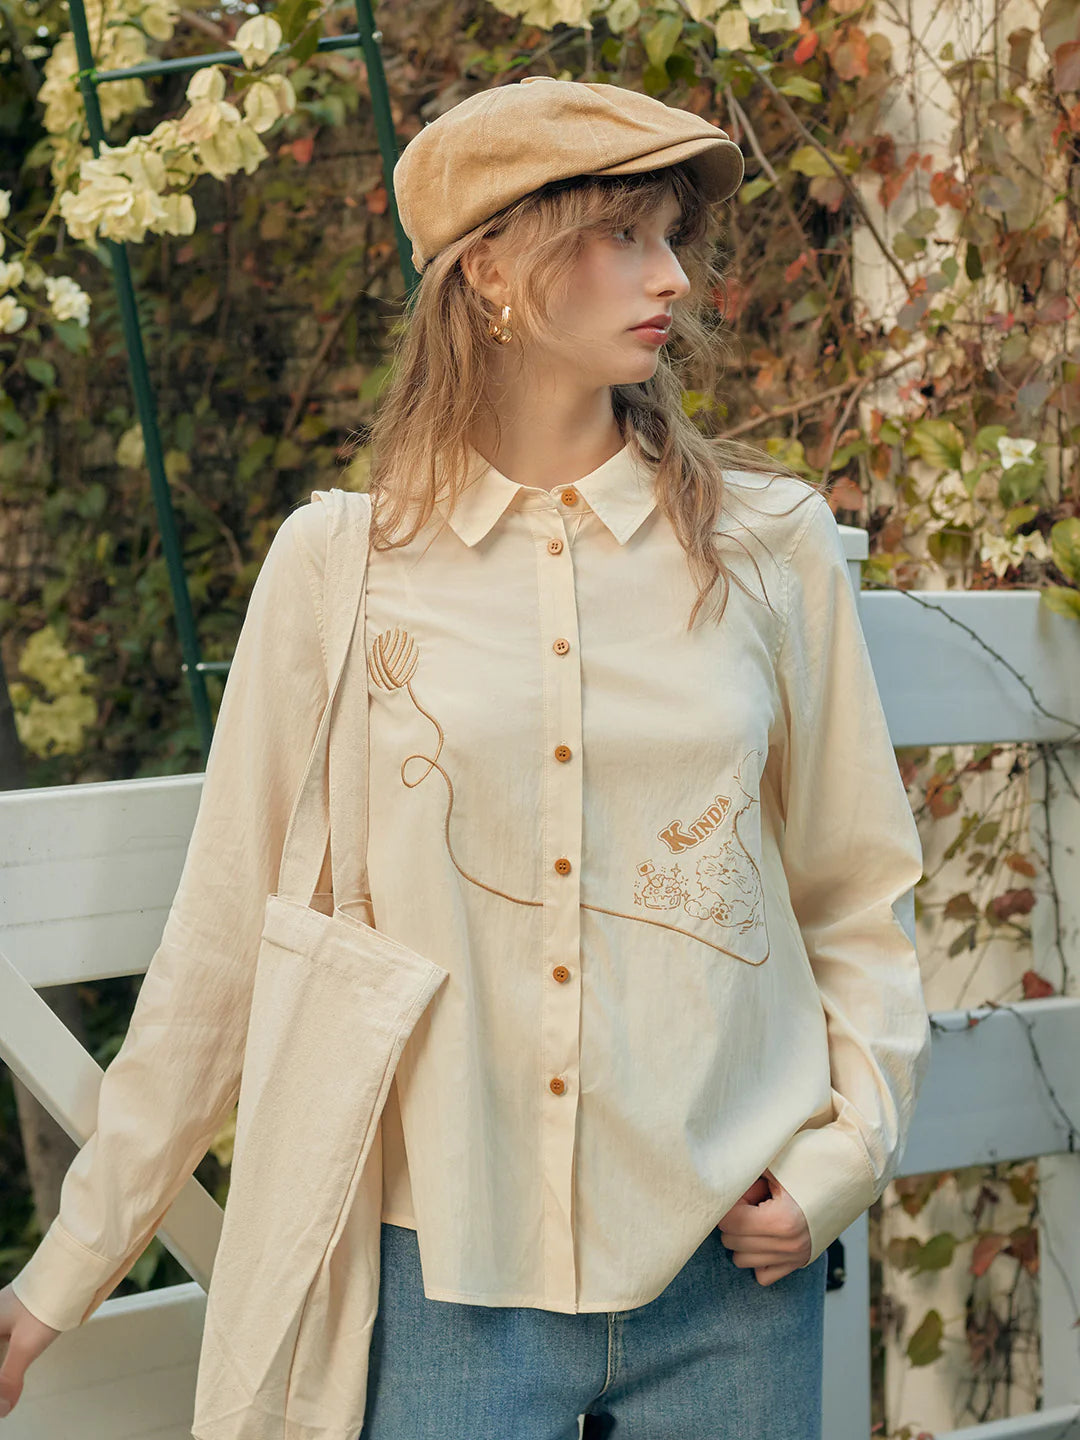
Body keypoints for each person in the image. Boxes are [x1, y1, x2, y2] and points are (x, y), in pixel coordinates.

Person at [0, 78, 932, 1440]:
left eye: (671, 236)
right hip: (442, 1294)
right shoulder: (343, 567)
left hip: (733, 1281)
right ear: (490, 269)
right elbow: (222, 945)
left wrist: (842, 1157)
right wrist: (59, 1281)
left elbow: (855, 897)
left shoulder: (768, 548)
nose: (672, 277)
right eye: (623, 236)